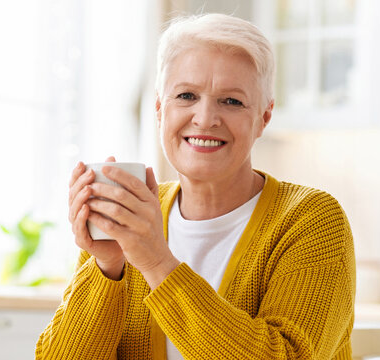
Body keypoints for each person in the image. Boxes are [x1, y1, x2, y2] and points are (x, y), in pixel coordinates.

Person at [36, 13, 355, 360]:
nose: (205, 118)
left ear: (264, 117)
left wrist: (156, 262)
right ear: (160, 109)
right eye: (186, 95)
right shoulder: (129, 218)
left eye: (231, 101)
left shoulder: (311, 220)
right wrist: (106, 269)